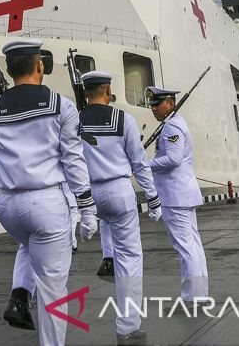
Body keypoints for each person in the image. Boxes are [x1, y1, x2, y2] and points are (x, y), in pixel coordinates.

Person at [0, 39, 96, 345]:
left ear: (8, 68)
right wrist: (86, 207)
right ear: (40, 65)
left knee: (29, 246)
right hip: (46, 202)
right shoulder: (62, 105)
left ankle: (19, 294)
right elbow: (73, 161)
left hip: (7, 205)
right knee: (53, 290)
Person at [79, 71, 162, 345]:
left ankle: (107, 257)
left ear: (86, 92)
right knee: (131, 258)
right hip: (118, 189)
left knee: (102, 230)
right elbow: (139, 164)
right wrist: (153, 198)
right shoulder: (123, 120)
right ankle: (128, 327)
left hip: (88, 192)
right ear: (107, 90)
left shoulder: (74, 121)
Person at [146, 86, 208, 304]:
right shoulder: (174, 123)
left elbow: (173, 159)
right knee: (193, 245)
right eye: (152, 105)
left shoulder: (172, 126)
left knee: (185, 247)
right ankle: (199, 293)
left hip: (174, 195)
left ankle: (192, 297)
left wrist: (144, 165)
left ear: (170, 103)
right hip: (183, 193)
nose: (153, 109)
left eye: (157, 104)